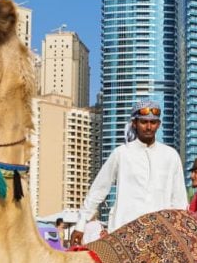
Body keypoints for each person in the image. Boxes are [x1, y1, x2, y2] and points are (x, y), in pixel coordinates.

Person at [69, 101, 187, 245]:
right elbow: (99, 189)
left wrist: (180, 230)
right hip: (123, 232)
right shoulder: (121, 154)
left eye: (153, 122)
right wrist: (81, 224)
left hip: (160, 234)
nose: (149, 127)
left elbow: (179, 199)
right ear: (134, 123)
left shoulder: (171, 155)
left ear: (159, 124)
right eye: (144, 122)